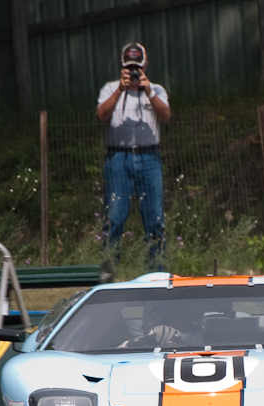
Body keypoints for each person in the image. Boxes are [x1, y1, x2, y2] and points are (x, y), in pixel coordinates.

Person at [96, 42, 171, 272]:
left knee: (155, 219)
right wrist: (120, 89)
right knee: (114, 217)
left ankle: (157, 272)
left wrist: (148, 91)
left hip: (149, 158)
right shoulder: (110, 88)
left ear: (145, 65)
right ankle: (109, 273)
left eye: (137, 67)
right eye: (129, 67)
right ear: (122, 67)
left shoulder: (157, 90)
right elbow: (101, 114)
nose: (134, 72)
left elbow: (166, 116)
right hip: (118, 158)